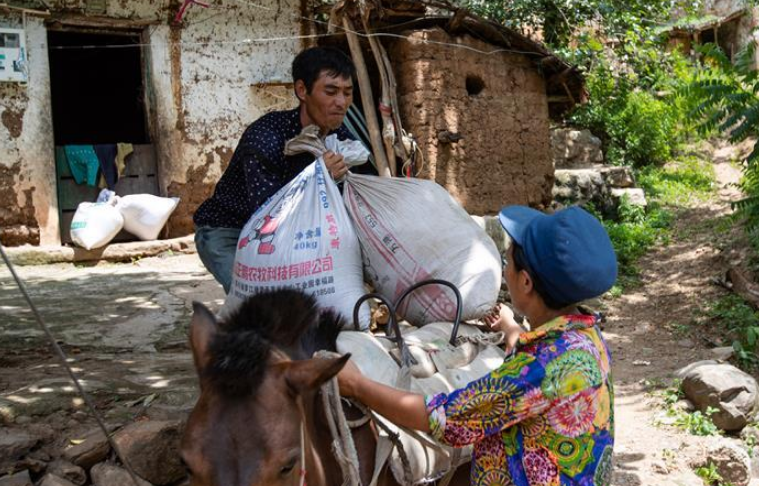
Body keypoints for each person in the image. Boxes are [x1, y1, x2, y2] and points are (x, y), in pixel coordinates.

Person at [337, 205, 618, 486]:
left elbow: (445, 418)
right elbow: (537, 380)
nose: (504, 271)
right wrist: (511, 328)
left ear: (526, 281)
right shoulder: (585, 336)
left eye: (507, 262)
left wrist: (357, 385)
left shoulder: (537, 369)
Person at [193, 46, 356, 293]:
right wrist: (319, 177)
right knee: (257, 303)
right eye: (331, 92)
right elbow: (268, 213)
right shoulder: (266, 136)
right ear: (302, 90)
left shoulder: (339, 137)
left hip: (296, 234)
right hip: (229, 232)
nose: (341, 102)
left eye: (348, 93)